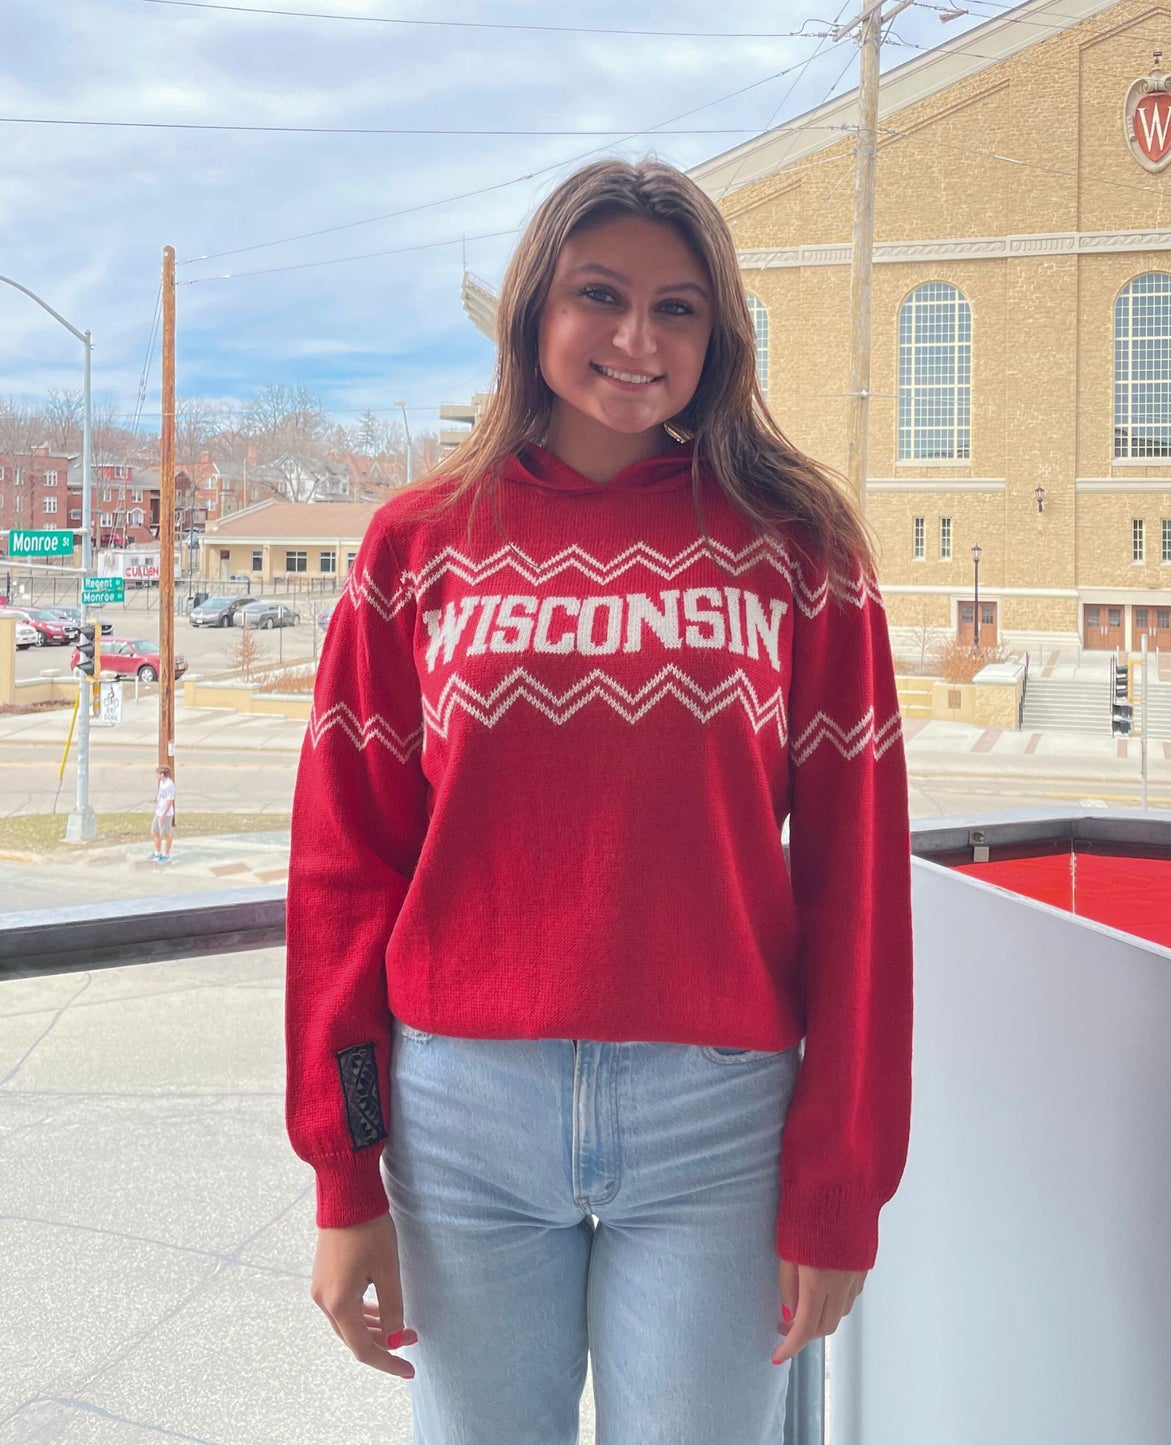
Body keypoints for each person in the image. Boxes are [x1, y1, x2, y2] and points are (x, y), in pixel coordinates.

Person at [285, 159, 914, 1445]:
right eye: (600, 295)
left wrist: (839, 1184)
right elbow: (344, 873)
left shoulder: (796, 550)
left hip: (717, 1127)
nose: (637, 338)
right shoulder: (415, 547)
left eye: (678, 308)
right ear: (533, 313)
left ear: (717, 335)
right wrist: (345, 1170)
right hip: (459, 1119)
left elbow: (855, 882)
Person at [150, 765, 175, 864]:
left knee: (166, 834)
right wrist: (156, 798)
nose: (155, 775)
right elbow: (160, 793)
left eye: (157, 774)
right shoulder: (161, 782)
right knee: (154, 832)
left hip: (166, 813)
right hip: (158, 811)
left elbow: (170, 801)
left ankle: (166, 855)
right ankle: (157, 853)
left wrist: (165, 813)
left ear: (162, 775)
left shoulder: (169, 785)